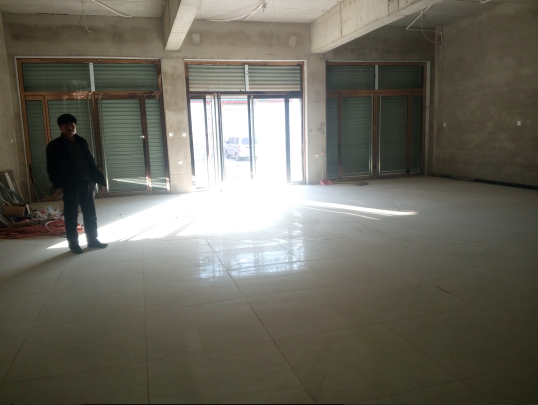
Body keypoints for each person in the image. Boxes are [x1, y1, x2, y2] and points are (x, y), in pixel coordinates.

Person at [46, 114, 108, 254]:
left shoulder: (81, 141)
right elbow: (52, 168)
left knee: (90, 213)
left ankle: (92, 239)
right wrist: (58, 186)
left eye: (72, 124)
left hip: (87, 183)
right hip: (70, 186)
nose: (70, 127)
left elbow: (90, 161)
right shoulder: (54, 146)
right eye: (67, 125)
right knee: (71, 216)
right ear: (60, 127)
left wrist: (95, 180)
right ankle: (73, 244)